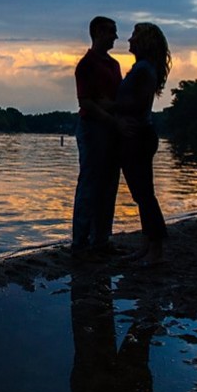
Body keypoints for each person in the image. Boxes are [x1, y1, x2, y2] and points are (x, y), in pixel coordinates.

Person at [115, 22, 172, 265]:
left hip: (138, 137)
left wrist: (109, 106)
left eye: (134, 35)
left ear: (144, 41)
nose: (129, 40)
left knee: (145, 195)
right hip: (137, 136)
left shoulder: (144, 70)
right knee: (142, 194)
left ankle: (155, 251)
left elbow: (138, 105)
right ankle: (146, 246)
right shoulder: (143, 68)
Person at [71, 16, 122, 256]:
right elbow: (86, 103)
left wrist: (109, 107)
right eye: (112, 32)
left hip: (111, 130)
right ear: (98, 32)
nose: (115, 36)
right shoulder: (86, 64)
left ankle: (101, 239)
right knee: (90, 184)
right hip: (92, 128)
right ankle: (80, 242)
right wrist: (110, 114)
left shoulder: (114, 65)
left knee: (109, 184)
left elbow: (117, 99)